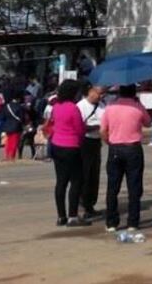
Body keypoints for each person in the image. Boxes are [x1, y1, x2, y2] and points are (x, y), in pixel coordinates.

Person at [99, 84, 151, 232]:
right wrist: (138, 104)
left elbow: (103, 130)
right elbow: (148, 123)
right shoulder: (137, 107)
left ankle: (111, 222)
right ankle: (133, 222)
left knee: (113, 186)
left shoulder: (110, 107)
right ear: (134, 93)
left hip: (115, 147)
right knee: (134, 187)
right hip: (133, 148)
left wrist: (109, 141)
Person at [49, 79, 87, 226]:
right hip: (71, 146)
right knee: (76, 181)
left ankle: (61, 216)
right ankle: (73, 216)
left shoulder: (56, 107)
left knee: (61, 182)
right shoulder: (73, 108)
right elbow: (79, 129)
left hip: (56, 145)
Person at [77, 84, 104, 220]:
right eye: (98, 93)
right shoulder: (80, 106)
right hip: (85, 142)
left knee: (94, 175)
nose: (100, 96)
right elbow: (80, 126)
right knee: (84, 175)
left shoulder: (102, 106)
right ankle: (81, 205)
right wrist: (96, 127)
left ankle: (90, 205)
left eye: (102, 94)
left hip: (96, 142)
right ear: (90, 92)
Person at [2, 94, 25, 162]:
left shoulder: (7, 106)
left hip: (7, 125)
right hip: (16, 126)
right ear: (18, 99)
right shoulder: (19, 107)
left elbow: (3, 116)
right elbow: (22, 118)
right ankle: (12, 155)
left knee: (8, 141)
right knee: (14, 142)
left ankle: (6, 155)